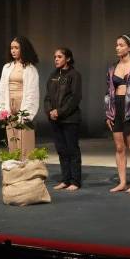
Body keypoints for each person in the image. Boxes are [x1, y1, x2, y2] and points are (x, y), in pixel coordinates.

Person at [105, 35, 130, 193]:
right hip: (117, 108)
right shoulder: (112, 68)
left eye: (121, 45)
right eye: (117, 45)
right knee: (119, 147)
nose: (117, 48)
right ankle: (122, 182)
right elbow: (108, 92)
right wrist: (109, 113)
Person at [44, 48, 83, 191]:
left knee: (72, 150)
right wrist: (49, 111)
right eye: (55, 57)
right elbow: (47, 97)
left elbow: (75, 98)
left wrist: (59, 112)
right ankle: (65, 179)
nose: (56, 59)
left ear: (68, 58)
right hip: (55, 120)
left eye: (59, 56)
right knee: (61, 150)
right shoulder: (53, 75)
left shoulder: (74, 75)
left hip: (70, 119)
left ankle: (75, 181)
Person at [0, 36, 40, 160]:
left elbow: (32, 92)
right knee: (12, 141)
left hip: (23, 105)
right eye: (11, 48)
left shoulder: (30, 68)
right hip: (10, 106)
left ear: (23, 49)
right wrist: (2, 109)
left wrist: (27, 113)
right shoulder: (7, 67)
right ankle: (16, 173)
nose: (13, 51)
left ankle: (27, 173)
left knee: (25, 142)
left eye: (16, 48)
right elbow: (2, 89)